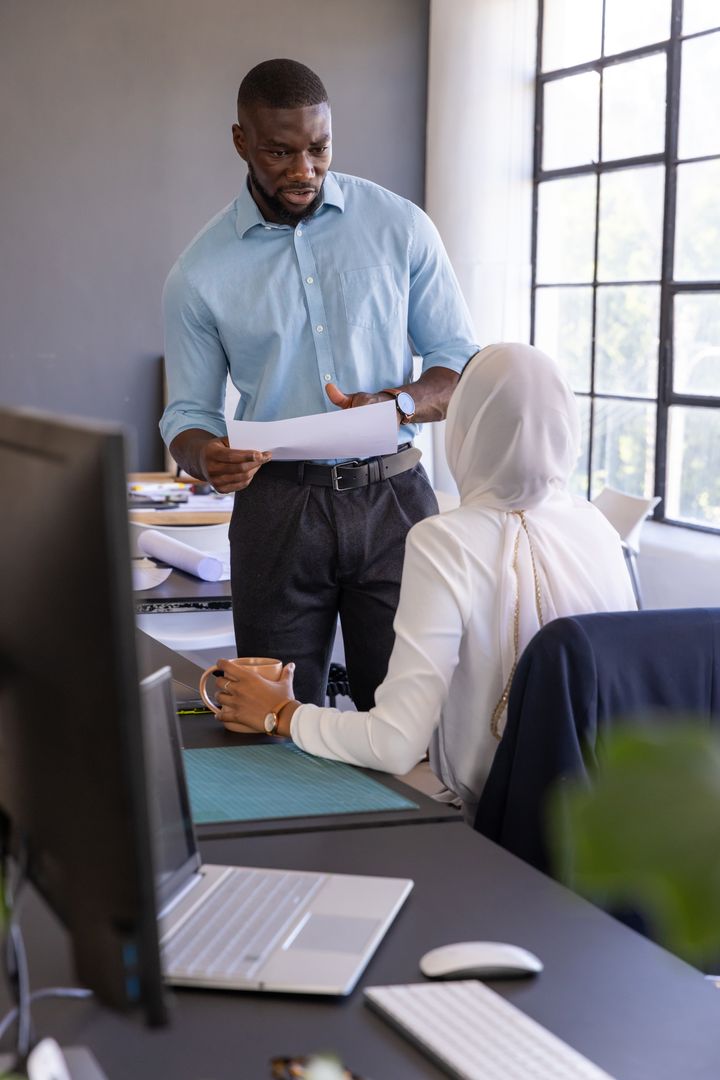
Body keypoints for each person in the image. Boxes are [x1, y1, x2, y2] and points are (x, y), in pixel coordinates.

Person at [160, 58, 478, 711]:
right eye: (279, 152)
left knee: (410, 715)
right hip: (277, 510)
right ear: (241, 141)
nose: (303, 169)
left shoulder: (401, 227)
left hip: (395, 503)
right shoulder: (199, 272)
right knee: (269, 716)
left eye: (318, 148)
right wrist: (206, 456)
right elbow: (186, 417)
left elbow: (458, 364)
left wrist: (399, 402)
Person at [214, 343, 638, 820]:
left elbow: (394, 744)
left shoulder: (445, 540)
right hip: (607, 816)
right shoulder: (598, 528)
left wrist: (281, 712)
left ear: (465, 427)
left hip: (488, 821)